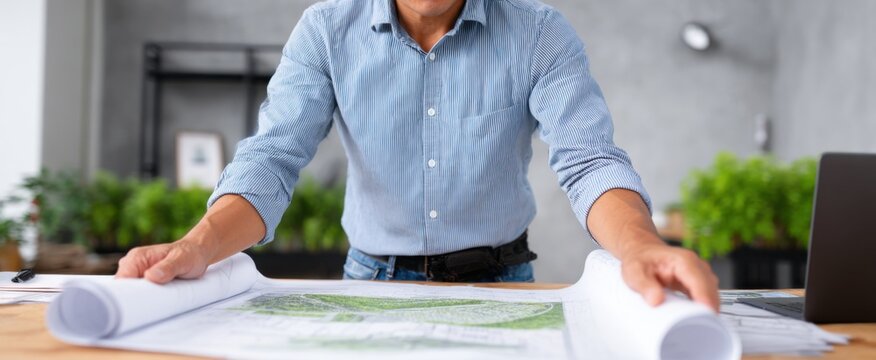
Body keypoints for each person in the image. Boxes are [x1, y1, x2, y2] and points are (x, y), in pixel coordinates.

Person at [116, 0, 720, 311]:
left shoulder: (539, 32)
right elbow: (273, 158)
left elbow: (588, 162)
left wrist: (643, 247)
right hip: (369, 284)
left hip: (503, 286)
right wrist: (196, 245)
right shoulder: (327, 29)